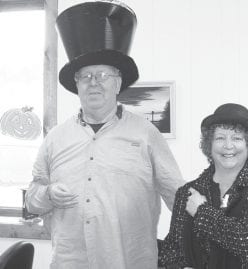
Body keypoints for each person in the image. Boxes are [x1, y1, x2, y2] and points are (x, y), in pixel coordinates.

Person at [25, 2, 184, 269]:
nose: (94, 82)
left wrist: (199, 241)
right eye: (85, 76)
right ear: (76, 85)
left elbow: (177, 196)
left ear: (118, 82)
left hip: (130, 262)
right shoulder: (55, 138)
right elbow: (32, 200)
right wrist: (49, 194)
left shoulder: (146, 134)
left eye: (103, 75)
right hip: (69, 262)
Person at [158, 103, 248, 269]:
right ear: (209, 145)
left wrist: (202, 212)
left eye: (237, 138)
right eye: (220, 138)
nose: (228, 145)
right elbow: (172, 249)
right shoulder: (187, 193)